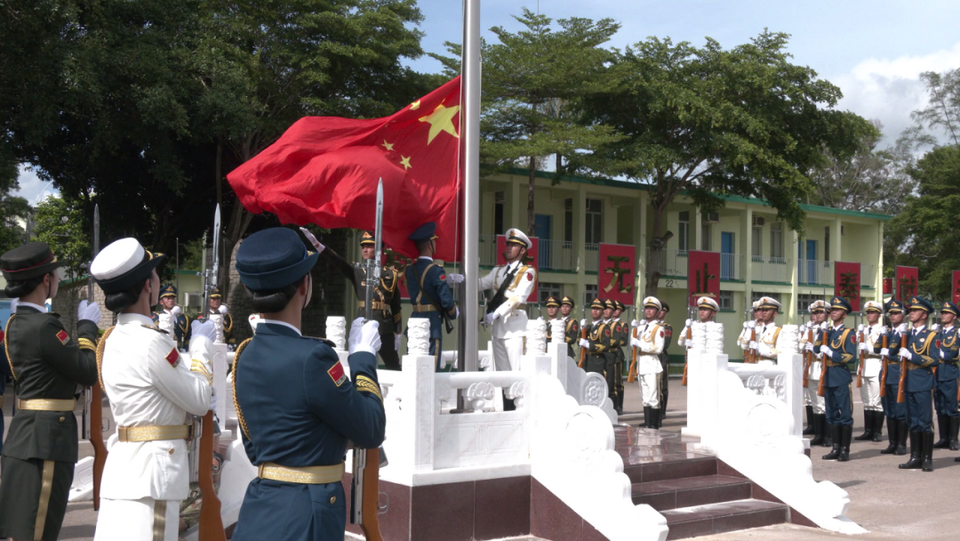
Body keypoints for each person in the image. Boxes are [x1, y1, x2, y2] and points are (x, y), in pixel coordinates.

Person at [230, 227, 385, 541]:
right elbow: (370, 428)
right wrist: (364, 358)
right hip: (307, 515)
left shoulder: (245, 355)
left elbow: (258, 444)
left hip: (261, 507)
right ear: (305, 284)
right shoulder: (314, 358)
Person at [87, 238, 216, 541]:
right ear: (148, 285)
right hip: (153, 476)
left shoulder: (112, 338)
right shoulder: (151, 341)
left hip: (124, 470)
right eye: (156, 274)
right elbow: (199, 400)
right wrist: (200, 348)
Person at [0, 242, 101, 541]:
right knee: (39, 531)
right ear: (46, 280)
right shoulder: (45, 327)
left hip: (26, 436)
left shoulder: (16, 323)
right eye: (55, 274)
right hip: (47, 441)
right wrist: (86, 329)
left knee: (23, 529)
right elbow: (86, 371)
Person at [304, 229, 404, 370]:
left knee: (393, 365)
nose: (364, 249)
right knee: (359, 361)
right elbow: (338, 262)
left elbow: (396, 306)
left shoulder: (390, 274)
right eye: (363, 246)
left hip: (384, 324)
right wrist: (319, 246)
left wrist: (398, 331)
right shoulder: (357, 270)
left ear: (378, 249)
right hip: (363, 320)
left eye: (369, 246)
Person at [479, 228, 537, 382]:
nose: (509, 248)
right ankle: (507, 407)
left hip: (515, 329)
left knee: (517, 375)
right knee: (502, 377)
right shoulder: (498, 270)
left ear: (522, 250)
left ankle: (519, 406)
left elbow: (517, 298)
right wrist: (463, 278)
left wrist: (495, 313)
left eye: (514, 245)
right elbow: (481, 284)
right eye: (508, 244)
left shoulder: (527, 272)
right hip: (498, 329)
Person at [405, 222, 458, 369]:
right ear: (430, 244)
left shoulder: (410, 270)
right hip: (432, 322)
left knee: (414, 365)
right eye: (434, 241)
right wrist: (454, 313)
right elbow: (446, 300)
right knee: (431, 367)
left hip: (414, 319)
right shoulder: (436, 270)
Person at [898, 296, 939, 472]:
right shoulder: (906, 334)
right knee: (912, 421)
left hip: (922, 381)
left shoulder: (931, 336)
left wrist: (912, 356)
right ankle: (915, 457)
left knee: (924, 421)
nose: (910, 313)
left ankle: (927, 458)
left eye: (914, 310)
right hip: (907, 382)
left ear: (924, 314)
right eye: (910, 310)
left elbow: (934, 359)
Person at [816, 296, 856, 462]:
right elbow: (817, 347)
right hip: (828, 375)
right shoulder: (828, 331)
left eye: (837, 310)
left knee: (844, 414)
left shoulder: (848, 333)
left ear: (844, 314)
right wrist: (822, 333)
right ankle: (835, 447)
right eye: (832, 310)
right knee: (831, 413)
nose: (833, 313)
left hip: (840, 375)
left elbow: (852, 356)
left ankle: (845, 450)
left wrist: (833, 354)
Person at [878, 299, 908, 455]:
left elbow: (903, 355)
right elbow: (878, 348)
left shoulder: (906, 333)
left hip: (898, 374)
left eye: (896, 313)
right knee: (889, 410)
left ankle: (901, 444)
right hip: (886, 374)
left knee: (900, 410)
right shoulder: (888, 332)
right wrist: (882, 335)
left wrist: (891, 352)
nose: (893, 316)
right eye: (891, 313)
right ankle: (892, 443)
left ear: (903, 315)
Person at [630, 297, 665, 429]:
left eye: (652, 309)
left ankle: (654, 424)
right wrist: (634, 330)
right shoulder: (642, 327)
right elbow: (632, 342)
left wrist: (640, 344)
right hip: (642, 364)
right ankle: (647, 421)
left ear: (657, 312)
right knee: (645, 396)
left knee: (653, 397)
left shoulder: (658, 328)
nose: (648, 311)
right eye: (647, 308)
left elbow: (658, 348)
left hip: (652, 365)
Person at [856, 301, 886, 442]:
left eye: (872, 312)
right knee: (867, 400)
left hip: (875, 365)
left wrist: (870, 349)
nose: (869, 315)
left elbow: (882, 349)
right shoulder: (863, 330)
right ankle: (868, 430)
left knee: (877, 401)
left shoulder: (882, 330)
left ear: (879, 315)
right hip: (863, 366)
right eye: (868, 312)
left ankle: (877, 432)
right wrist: (860, 333)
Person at [801, 300, 829, 444]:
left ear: (827, 314)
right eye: (814, 312)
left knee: (823, 403)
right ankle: (818, 434)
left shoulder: (829, 330)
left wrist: (815, 350)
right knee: (815, 403)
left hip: (822, 367)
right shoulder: (811, 329)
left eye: (819, 312)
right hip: (811, 369)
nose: (815, 315)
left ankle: (827, 435)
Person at [932, 301, 959, 451]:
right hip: (937, 374)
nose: (943, 315)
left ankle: (954, 439)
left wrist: (940, 351)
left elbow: (952, 354)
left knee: (952, 407)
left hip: (949, 373)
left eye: (946, 313)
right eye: (942, 313)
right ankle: (944, 438)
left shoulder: (956, 334)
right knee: (940, 407)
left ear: (954, 316)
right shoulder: (938, 334)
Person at [579, 299, 615, 405]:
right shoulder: (588, 327)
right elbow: (579, 341)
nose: (595, 311)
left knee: (597, 388)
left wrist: (589, 345)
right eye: (593, 309)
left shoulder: (604, 327)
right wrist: (582, 329)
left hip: (598, 361)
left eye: (598, 309)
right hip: (587, 360)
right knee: (587, 387)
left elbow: (605, 346)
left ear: (602, 311)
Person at [152, 284, 190, 349]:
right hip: (163, 351)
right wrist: (171, 313)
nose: (171, 300)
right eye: (168, 298)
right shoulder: (156, 317)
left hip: (178, 352)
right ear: (161, 302)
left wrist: (185, 349)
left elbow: (188, 337)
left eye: (172, 298)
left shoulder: (183, 317)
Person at [657, 302, 673, 420]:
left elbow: (665, 344)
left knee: (662, 386)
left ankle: (662, 411)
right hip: (650, 357)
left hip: (661, 356)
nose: (660, 312)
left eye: (662, 311)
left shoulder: (667, 327)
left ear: (665, 313)